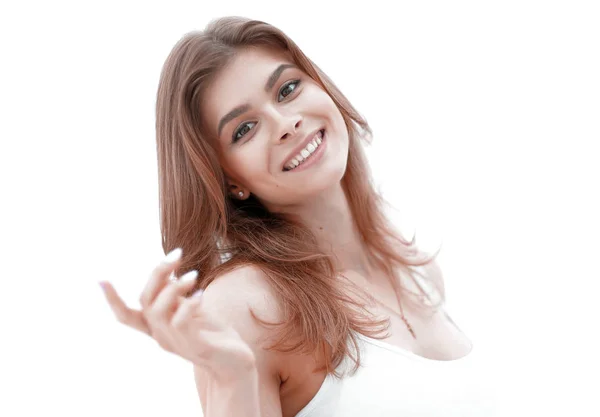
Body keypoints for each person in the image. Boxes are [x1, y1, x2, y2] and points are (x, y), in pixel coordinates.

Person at [100, 16, 494, 416]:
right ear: (228, 178)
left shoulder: (417, 272)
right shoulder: (245, 304)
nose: (285, 124)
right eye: (244, 129)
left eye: (288, 89)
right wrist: (232, 378)